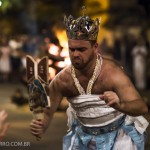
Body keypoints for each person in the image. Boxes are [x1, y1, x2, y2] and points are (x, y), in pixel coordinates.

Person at [30, 9, 149, 150]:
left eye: (81, 49)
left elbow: (141, 107)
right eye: (72, 49)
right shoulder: (63, 80)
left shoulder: (111, 74)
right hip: (82, 140)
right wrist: (42, 125)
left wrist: (120, 105)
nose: (75, 54)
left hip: (119, 139)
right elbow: (48, 111)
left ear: (95, 47)